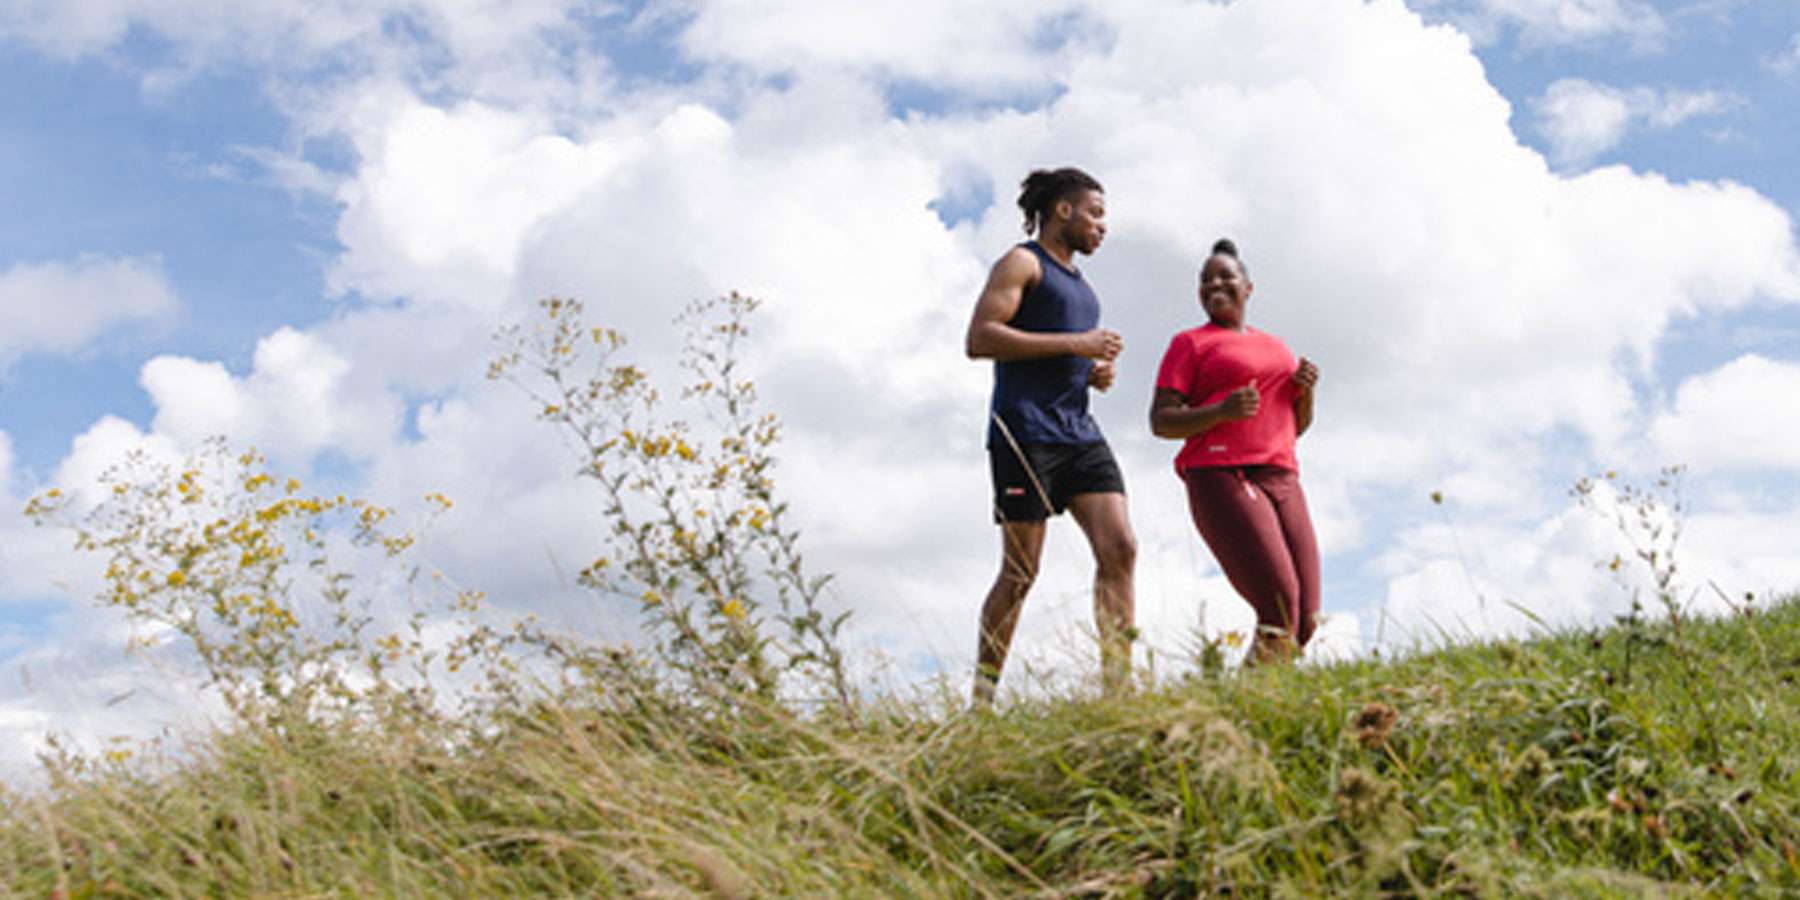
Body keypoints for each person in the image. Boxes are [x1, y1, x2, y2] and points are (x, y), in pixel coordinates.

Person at [965, 166, 1138, 704]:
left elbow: (1067, 351)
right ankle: (982, 701)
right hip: (1024, 432)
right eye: (1096, 213)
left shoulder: (1084, 289)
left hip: (1079, 432)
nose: (1102, 227)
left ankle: (1117, 694)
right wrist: (1074, 345)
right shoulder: (1021, 262)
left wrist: (1091, 372)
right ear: (1064, 210)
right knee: (1021, 571)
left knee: (1121, 548)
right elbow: (980, 338)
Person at [1150, 238, 1321, 665]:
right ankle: (1245, 715)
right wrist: (1220, 412)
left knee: (1306, 620)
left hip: (1281, 474)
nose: (1214, 285)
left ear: (1249, 287)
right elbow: (1161, 421)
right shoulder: (1189, 344)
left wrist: (1307, 394)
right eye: (1205, 280)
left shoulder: (1278, 348)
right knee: (1279, 606)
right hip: (1222, 473)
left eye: (1225, 276)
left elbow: (1293, 426)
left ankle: (1261, 704)